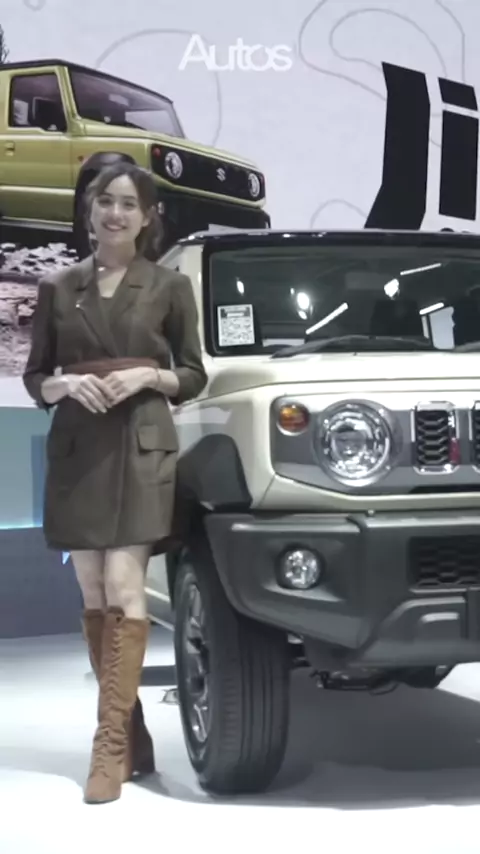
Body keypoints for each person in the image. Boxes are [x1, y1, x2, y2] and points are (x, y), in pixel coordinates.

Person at [22, 162, 208, 804]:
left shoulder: (168, 286)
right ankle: (132, 732)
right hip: (79, 446)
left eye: (129, 204)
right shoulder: (58, 286)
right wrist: (68, 384)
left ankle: (107, 747)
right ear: (89, 210)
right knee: (94, 590)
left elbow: (193, 374)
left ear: (148, 216)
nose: (116, 213)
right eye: (106, 201)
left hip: (140, 443)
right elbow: (36, 377)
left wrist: (147, 376)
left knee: (125, 585)